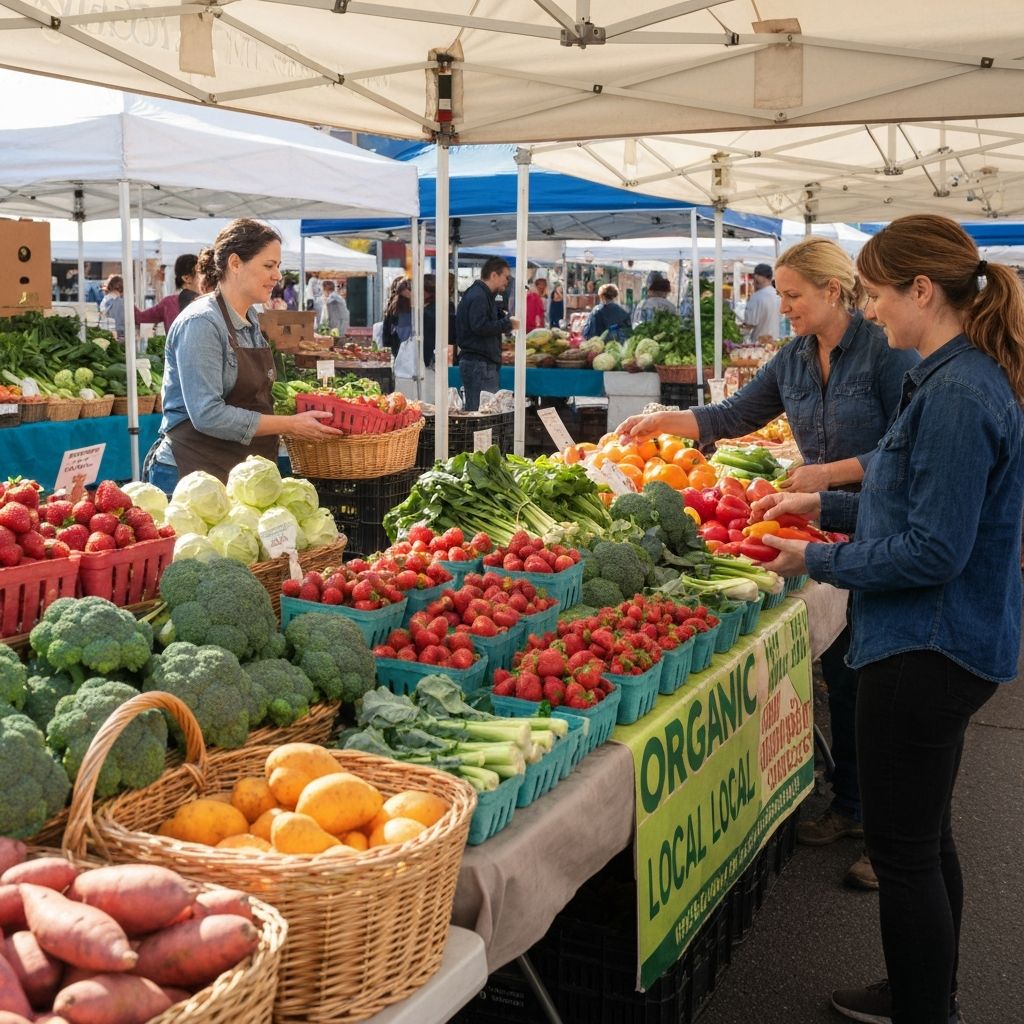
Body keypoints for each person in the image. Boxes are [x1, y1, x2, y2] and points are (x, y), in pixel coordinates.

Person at [751, 214, 1024, 1024]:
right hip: (944, 637)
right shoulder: (953, 375)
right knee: (928, 839)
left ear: (921, 290)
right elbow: (906, 499)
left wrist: (816, 556)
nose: (869, 311)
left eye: (873, 294)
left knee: (905, 855)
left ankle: (921, 1009)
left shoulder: (957, 392)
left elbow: (931, 550)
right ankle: (922, 991)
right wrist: (820, 502)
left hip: (927, 645)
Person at [617, 236, 920, 891]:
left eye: (792, 296)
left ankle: (896, 842)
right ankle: (851, 806)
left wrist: (827, 473)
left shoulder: (886, 355)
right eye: (780, 295)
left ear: (833, 292)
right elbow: (731, 414)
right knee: (842, 672)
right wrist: (662, 421)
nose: (782, 308)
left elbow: (906, 446)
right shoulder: (792, 360)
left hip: (886, 522)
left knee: (886, 684)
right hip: (820, 524)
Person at [156, 218, 341, 486]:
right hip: (191, 474)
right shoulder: (201, 323)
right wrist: (289, 424)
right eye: (268, 266)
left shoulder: (251, 318)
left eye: (278, 266)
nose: (277, 276)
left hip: (239, 472)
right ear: (235, 263)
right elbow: (207, 415)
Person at [455, 257, 518, 412]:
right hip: (479, 365)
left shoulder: (482, 295)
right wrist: (508, 323)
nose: (507, 282)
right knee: (482, 413)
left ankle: (480, 436)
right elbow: (480, 327)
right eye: (506, 277)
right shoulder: (479, 296)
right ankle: (478, 437)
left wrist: (503, 318)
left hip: (480, 364)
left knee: (481, 412)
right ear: (494, 275)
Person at [135, 253, 199, 335]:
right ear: (186, 278)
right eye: (200, 274)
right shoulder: (169, 303)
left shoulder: (168, 302)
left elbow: (140, 317)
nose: (204, 278)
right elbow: (140, 318)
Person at [742, 262, 781, 343]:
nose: (754, 280)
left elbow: (749, 324)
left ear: (759, 277)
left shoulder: (756, 297)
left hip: (758, 344)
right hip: (775, 341)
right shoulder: (777, 295)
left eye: (755, 276)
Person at [382, 277, 412, 358]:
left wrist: (387, 343)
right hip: (404, 345)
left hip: (398, 346)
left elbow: (387, 326)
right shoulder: (396, 306)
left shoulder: (394, 305)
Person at [99, 274, 125, 340]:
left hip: (104, 332)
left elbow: (102, 314)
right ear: (122, 288)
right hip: (117, 335)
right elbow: (120, 323)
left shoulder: (105, 299)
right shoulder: (120, 301)